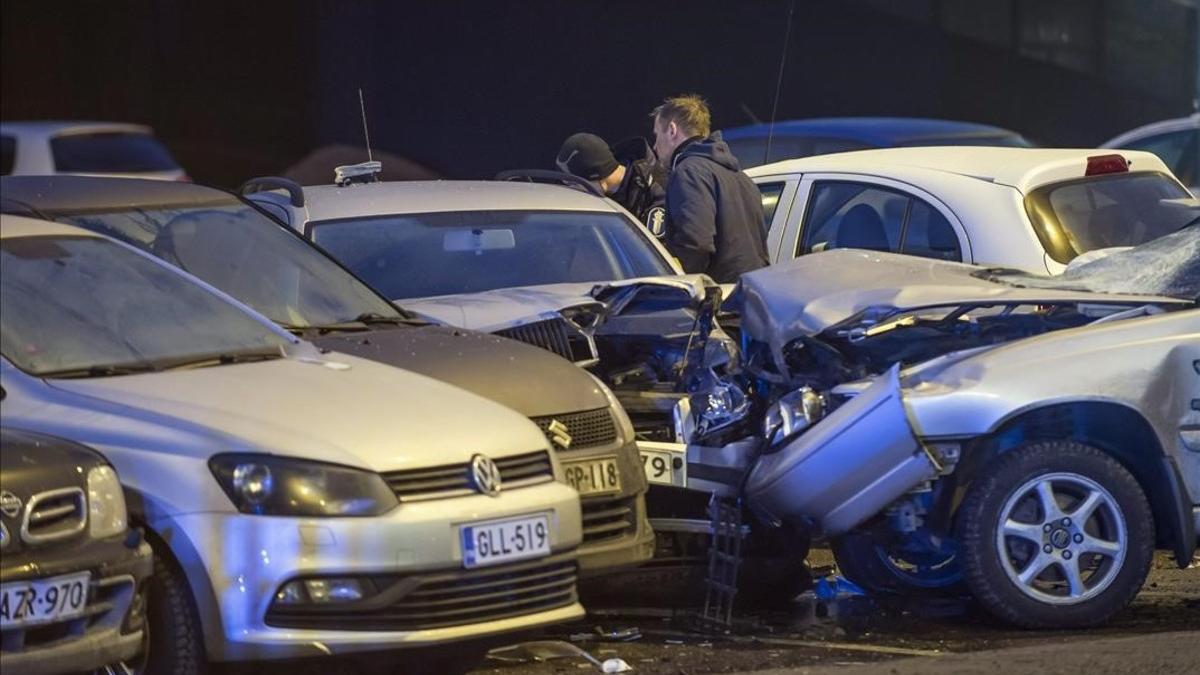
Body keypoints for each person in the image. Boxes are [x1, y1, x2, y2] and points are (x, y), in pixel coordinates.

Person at [650, 94, 768, 282]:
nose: (655, 146)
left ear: (672, 130)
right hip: (751, 294)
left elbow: (696, 244)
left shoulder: (688, 172)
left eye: (656, 135)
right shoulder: (739, 175)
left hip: (717, 300)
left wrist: (678, 284)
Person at [555, 132, 667, 233]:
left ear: (596, 178)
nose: (575, 193)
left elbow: (650, 252)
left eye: (574, 185)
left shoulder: (657, 192)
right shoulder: (604, 192)